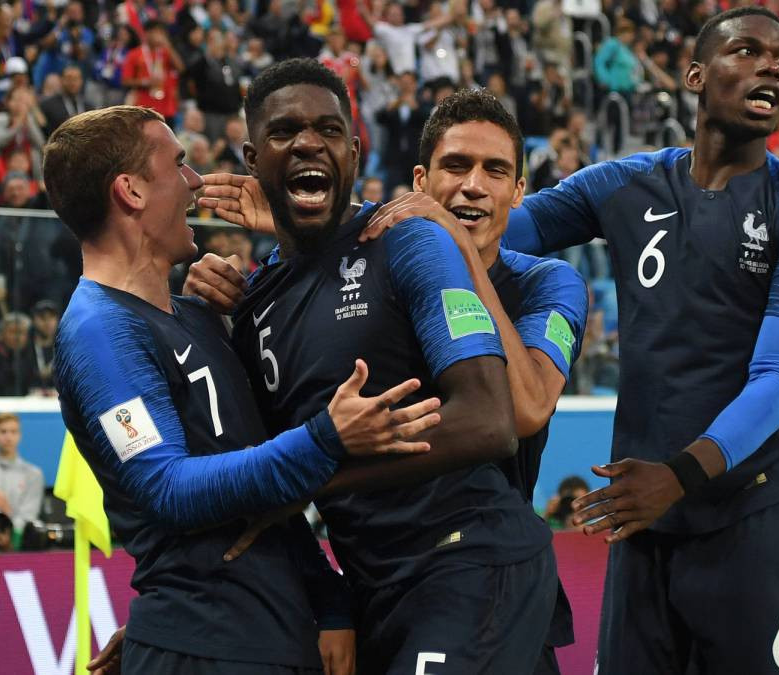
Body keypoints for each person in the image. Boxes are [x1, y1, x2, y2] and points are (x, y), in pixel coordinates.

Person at [367, 7, 779, 673]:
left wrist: (678, 475)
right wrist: (332, 227)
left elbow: (776, 380)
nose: (772, 65)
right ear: (695, 75)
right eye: (747, 51)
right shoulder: (627, 184)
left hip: (749, 515)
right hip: (644, 513)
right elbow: (487, 226)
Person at [196, 86, 589, 674]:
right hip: (378, 578)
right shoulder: (373, 261)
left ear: (519, 191)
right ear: (421, 182)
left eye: (495, 170)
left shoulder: (547, 284)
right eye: (456, 166)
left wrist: (313, 477)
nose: (473, 185)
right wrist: (299, 236)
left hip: (473, 561)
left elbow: (521, 413)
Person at [43, 104, 438, 674]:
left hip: (276, 637)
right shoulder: (99, 332)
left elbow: (259, 485)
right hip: (203, 646)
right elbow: (168, 489)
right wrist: (327, 437)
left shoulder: (199, 316)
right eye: (178, 164)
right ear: (129, 191)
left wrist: (327, 601)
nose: (195, 181)